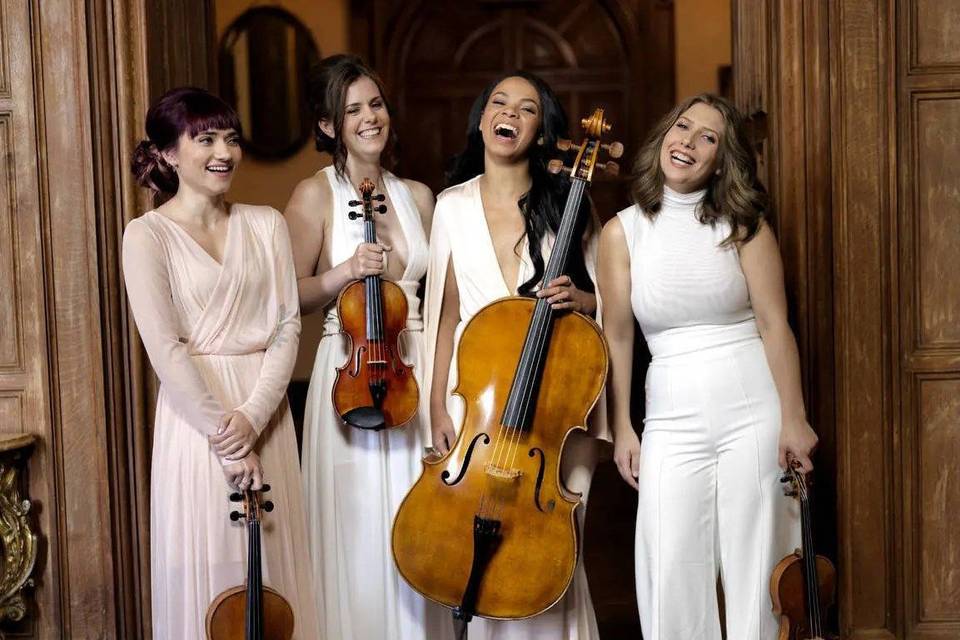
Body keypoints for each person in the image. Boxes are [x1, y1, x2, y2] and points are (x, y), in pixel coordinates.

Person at [597, 94, 819, 639]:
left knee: (757, 566)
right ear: (663, 137)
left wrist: (794, 418)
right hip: (671, 416)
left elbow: (775, 326)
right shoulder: (621, 233)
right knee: (669, 565)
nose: (688, 143)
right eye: (682, 128)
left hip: (753, 409)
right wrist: (623, 426)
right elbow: (618, 334)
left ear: (721, 160)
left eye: (708, 138)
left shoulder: (745, 225)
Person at [123, 87, 319, 639]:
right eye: (205, 138)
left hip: (266, 413)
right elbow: (165, 349)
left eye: (231, 139)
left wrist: (254, 417)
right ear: (166, 153)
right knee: (207, 571)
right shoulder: (147, 236)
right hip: (197, 423)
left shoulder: (265, 224)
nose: (224, 152)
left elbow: (286, 327)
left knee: (275, 575)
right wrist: (225, 436)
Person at [423, 70, 603, 640]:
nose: (510, 113)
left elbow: (607, 302)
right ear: (481, 119)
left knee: (549, 547)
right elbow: (446, 313)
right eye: (499, 102)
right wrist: (435, 404)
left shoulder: (570, 202)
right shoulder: (451, 206)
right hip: (478, 403)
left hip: (553, 403)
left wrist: (580, 297)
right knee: (470, 548)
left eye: (527, 108)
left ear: (541, 130)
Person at [285, 54, 450, 640]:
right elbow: (288, 297)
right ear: (328, 125)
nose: (369, 117)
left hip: (416, 366)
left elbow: (442, 299)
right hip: (352, 374)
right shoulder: (313, 195)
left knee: (421, 525)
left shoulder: (421, 197)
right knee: (359, 532)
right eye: (351, 109)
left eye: (375, 104)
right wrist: (344, 274)